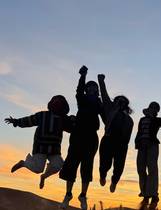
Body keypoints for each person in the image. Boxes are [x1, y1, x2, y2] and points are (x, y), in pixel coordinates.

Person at [5, 95, 73, 189]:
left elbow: (73, 128)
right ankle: (23, 163)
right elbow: (29, 120)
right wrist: (16, 121)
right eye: (55, 101)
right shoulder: (42, 115)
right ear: (51, 104)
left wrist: (76, 121)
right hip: (40, 147)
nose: (57, 104)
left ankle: (44, 177)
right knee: (37, 169)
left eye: (60, 102)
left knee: (58, 165)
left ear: (64, 106)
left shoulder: (64, 119)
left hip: (54, 150)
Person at [59, 66, 103, 210]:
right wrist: (83, 75)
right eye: (89, 87)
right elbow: (78, 90)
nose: (91, 89)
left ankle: (83, 196)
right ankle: (68, 195)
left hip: (91, 137)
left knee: (87, 166)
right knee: (71, 164)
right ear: (86, 89)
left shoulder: (98, 103)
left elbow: (106, 115)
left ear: (97, 91)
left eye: (94, 87)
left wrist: (101, 83)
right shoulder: (82, 100)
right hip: (78, 135)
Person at [97, 74, 134, 193]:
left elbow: (128, 136)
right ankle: (103, 176)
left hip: (122, 144)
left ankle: (114, 181)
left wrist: (124, 144)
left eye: (123, 102)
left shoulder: (129, 120)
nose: (121, 102)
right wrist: (101, 81)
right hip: (108, 140)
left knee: (119, 167)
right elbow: (104, 95)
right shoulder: (110, 109)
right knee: (104, 164)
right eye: (119, 100)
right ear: (115, 102)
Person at [135, 102, 161, 210]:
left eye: (156, 108)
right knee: (140, 169)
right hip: (141, 145)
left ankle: (153, 195)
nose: (154, 109)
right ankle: (145, 193)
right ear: (149, 108)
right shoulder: (142, 119)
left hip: (152, 144)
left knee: (152, 169)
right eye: (152, 107)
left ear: (157, 111)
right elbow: (139, 132)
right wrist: (137, 143)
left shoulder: (157, 120)